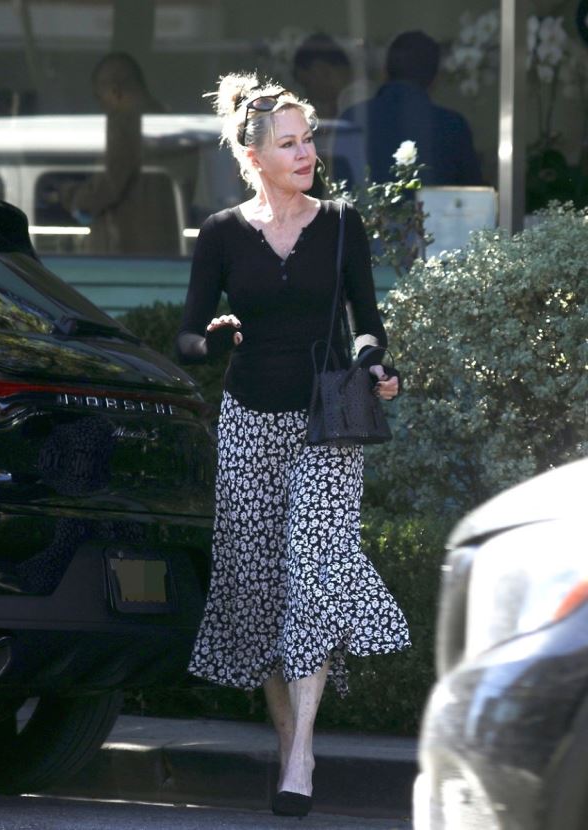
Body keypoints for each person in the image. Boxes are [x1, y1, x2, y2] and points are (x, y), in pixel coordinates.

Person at [177, 72, 410, 818]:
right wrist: (213, 338)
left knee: (312, 571)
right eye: (290, 143)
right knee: (260, 588)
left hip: (324, 424)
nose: (307, 153)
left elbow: (367, 322)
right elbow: (186, 337)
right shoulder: (220, 233)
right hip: (249, 421)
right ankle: (288, 750)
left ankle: (302, 753)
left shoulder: (341, 223)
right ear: (253, 157)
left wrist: (374, 364)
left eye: (309, 140)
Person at [59, 52, 179, 256]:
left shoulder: (125, 122)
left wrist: (71, 196)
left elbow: (108, 185)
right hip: (166, 247)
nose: (101, 107)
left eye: (99, 98)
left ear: (115, 91)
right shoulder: (169, 123)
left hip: (125, 250)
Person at [334, 30, 483, 187]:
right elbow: (471, 194)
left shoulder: (352, 120)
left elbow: (340, 187)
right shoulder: (452, 126)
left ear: (384, 71)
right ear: (435, 79)